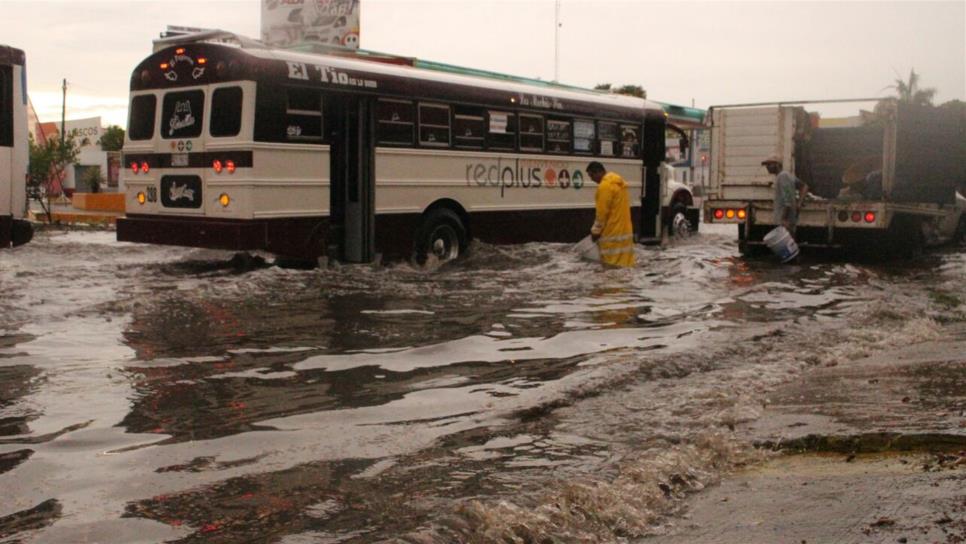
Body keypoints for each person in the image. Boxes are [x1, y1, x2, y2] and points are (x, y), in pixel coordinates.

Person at [586, 162, 635, 268]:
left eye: (591, 176)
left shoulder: (605, 187)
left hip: (611, 234)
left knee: (610, 271)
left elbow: (601, 214)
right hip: (625, 232)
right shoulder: (619, 184)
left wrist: (595, 232)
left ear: (599, 172)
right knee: (626, 267)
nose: (592, 179)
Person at [762, 155, 807, 235]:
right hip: (787, 222)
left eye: (770, 164)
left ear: (778, 165)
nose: (767, 167)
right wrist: (799, 204)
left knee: (785, 245)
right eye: (766, 165)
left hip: (785, 223)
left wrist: (783, 219)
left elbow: (788, 201)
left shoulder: (783, 176)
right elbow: (804, 186)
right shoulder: (787, 175)